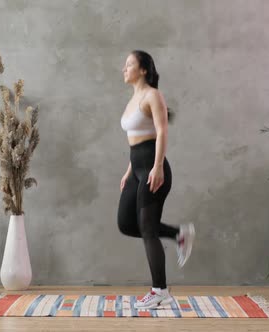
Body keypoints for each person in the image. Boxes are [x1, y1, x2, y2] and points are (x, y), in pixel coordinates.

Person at [117, 50, 195, 310]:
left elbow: (161, 132)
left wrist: (158, 166)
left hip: (153, 167)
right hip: (137, 167)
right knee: (127, 223)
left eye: (129, 65)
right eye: (125, 65)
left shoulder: (153, 95)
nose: (124, 68)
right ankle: (178, 233)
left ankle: (160, 290)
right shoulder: (133, 99)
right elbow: (138, 138)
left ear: (143, 70)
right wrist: (129, 171)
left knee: (148, 229)